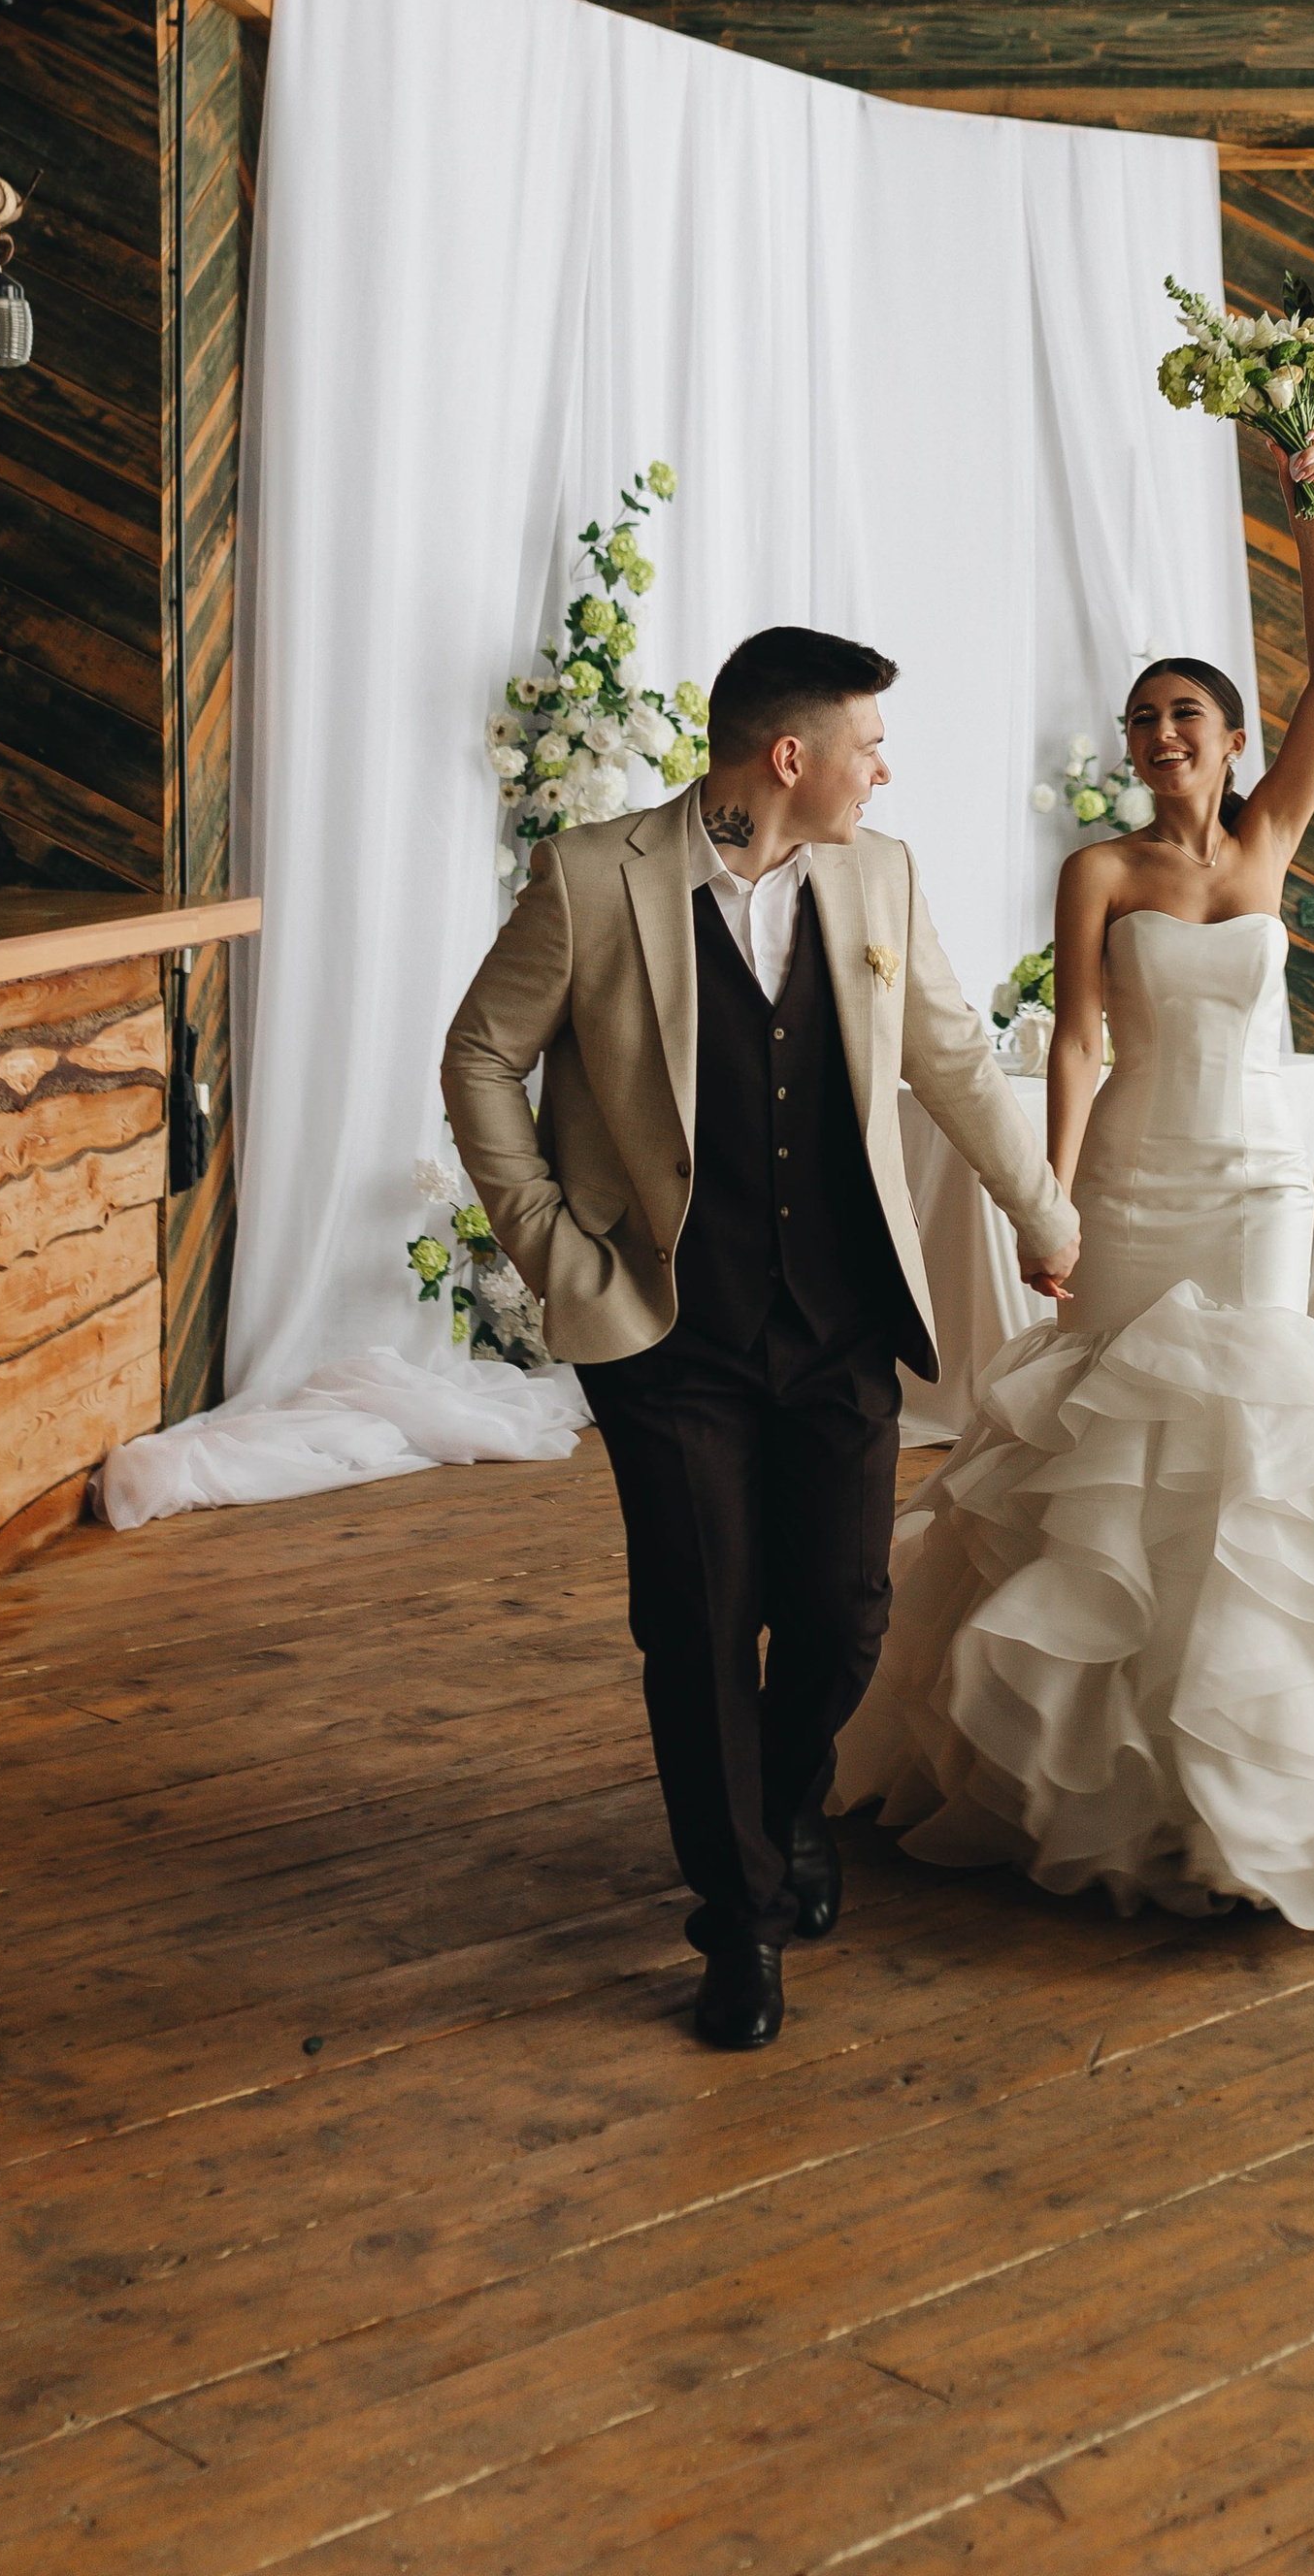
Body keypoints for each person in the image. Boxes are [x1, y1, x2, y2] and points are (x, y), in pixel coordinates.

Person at [837, 433, 1314, 1927]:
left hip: (1250, 1189)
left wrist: (1309, 502)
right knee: (1107, 1453)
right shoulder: (1102, 873)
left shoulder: (1266, 848)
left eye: (1184, 713)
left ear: (1234, 739)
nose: (1158, 733)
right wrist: (1045, 1203)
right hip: (1133, 1182)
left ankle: (1263, 1776)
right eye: (1142, 720)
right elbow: (1076, 1048)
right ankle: (1085, 1773)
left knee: (1252, 1455)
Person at [441, 627, 1079, 2052]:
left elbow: (954, 1060)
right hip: (669, 1332)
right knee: (701, 1626)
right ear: (790, 757)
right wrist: (552, 1245)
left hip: (839, 1317)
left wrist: (1043, 1214)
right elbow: (480, 1052)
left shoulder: (878, 875)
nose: (880, 772)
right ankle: (739, 1921)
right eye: (865, 746)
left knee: (846, 1616)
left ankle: (785, 1812)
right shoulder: (595, 877)